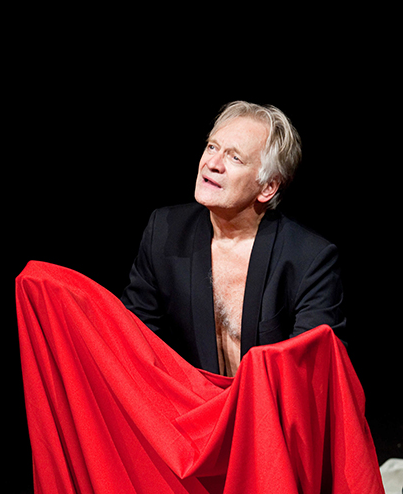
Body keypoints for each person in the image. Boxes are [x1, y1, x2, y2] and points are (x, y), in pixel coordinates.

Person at [121, 100, 346, 377]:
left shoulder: (309, 260)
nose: (212, 164)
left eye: (235, 157)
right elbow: (132, 341)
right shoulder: (164, 231)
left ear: (268, 187)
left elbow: (312, 372)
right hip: (186, 400)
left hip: (269, 402)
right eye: (212, 147)